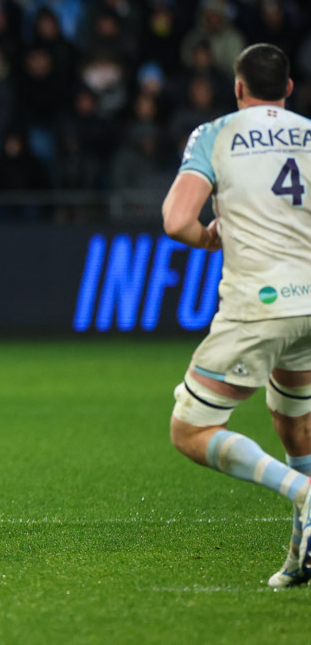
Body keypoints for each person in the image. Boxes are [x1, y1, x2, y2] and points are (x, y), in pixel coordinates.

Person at [162, 44, 311, 587]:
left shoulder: (216, 133)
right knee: (294, 424)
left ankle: (304, 493)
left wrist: (208, 237)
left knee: (190, 428)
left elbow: (177, 220)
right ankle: (302, 557)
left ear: (239, 87)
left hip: (259, 306)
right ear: (289, 89)